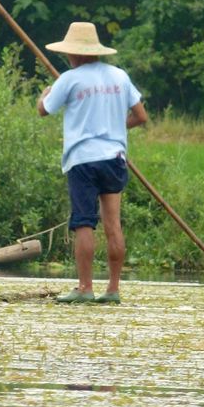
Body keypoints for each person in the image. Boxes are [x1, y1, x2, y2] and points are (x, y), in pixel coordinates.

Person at [38, 22, 148, 304]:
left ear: (74, 54)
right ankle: (112, 289)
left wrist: (45, 94)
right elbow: (140, 116)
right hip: (114, 159)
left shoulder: (69, 79)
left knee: (84, 222)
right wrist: (114, 129)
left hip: (83, 160)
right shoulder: (120, 76)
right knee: (113, 223)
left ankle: (85, 287)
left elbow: (43, 110)